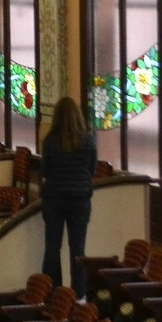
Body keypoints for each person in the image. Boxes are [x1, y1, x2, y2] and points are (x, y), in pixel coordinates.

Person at [38, 96, 97, 295]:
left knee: (52, 247)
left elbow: (44, 170)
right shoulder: (88, 141)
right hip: (80, 201)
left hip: (53, 199)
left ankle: (52, 293)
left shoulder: (51, 141)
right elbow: (91, 169)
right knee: (78, 249)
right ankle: (78, 295)